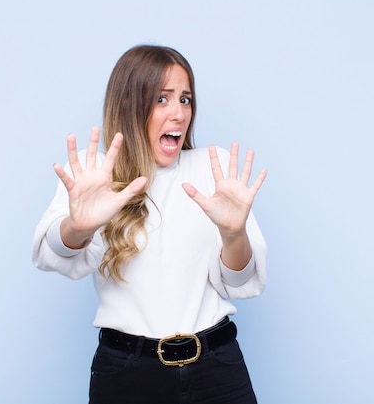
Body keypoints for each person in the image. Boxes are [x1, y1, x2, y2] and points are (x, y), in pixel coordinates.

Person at [32, 44, 268, 404]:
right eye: (162, 99)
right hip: (128, 377)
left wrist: (234, 234)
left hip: (217, 371)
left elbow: (238, 281)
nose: (178, 113)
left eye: (185, 100)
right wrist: (78, 228)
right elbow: (53, 255)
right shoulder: (96, 173)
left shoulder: (212, 168)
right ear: (130, 105)